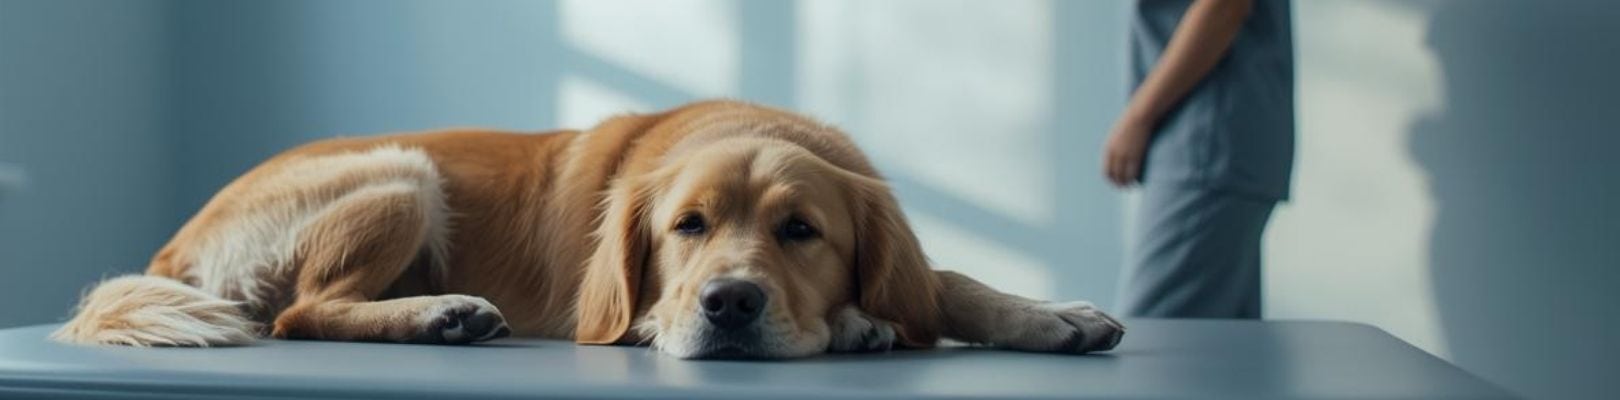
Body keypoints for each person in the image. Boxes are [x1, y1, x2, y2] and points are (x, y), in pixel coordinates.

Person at [1106, 0, 1294, 318]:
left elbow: (1224, 6)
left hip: (1209, 140)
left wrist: (1138, 117)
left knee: (1151, 346)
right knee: (1224, 353)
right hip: (1216, 142)